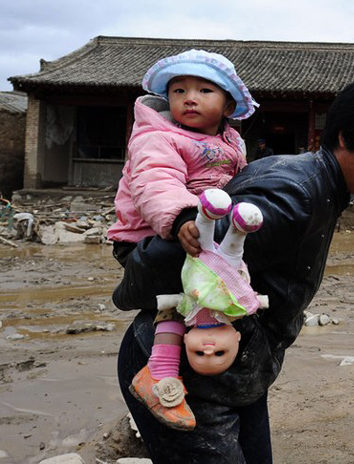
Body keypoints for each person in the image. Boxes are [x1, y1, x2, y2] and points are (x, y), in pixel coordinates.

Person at [113, 77, 354, 463]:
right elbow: (187, 252)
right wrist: (125, 294)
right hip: (183, 370)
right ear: (346, 138)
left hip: (236, 365)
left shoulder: (321, 186)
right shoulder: (294, 196)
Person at [108, 48, 259, 431]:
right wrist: (180, 217)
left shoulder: (232, 143)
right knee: (179, 301)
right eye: (178, 90)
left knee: (222, 290)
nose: (189, 98)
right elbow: (155, 179)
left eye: (204, 90)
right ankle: (159, 376)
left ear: (228, 107)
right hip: (154, 236)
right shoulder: (156, 136)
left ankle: (221, 352)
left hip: (203, 235)